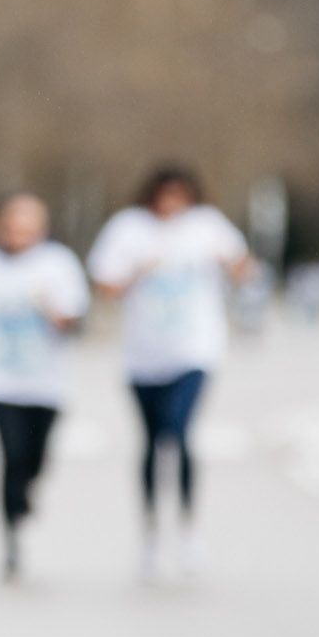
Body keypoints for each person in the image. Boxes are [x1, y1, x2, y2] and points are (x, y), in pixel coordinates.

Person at [87, 164, 250, 582]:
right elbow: (104, 287)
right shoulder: (128, 229)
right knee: (152, 441)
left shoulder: (207, 226)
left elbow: (244, 269)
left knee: (177, 433)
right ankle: (150, 533)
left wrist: (228, 263)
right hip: (143, 356)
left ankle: (189, 527)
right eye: (165, 195)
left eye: (180, 196)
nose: (172, 205)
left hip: (194, 349)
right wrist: (139, 269)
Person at [0, 193, 89, 580]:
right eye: (13, 225)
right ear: (0, 225)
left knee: (36, 459)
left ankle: (26, 494)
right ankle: (11, 536)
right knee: (10, 456)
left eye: (29, 226)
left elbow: (76, 321)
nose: (19, 234)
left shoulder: (58, 265)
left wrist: (53, 312)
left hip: (47, 383)